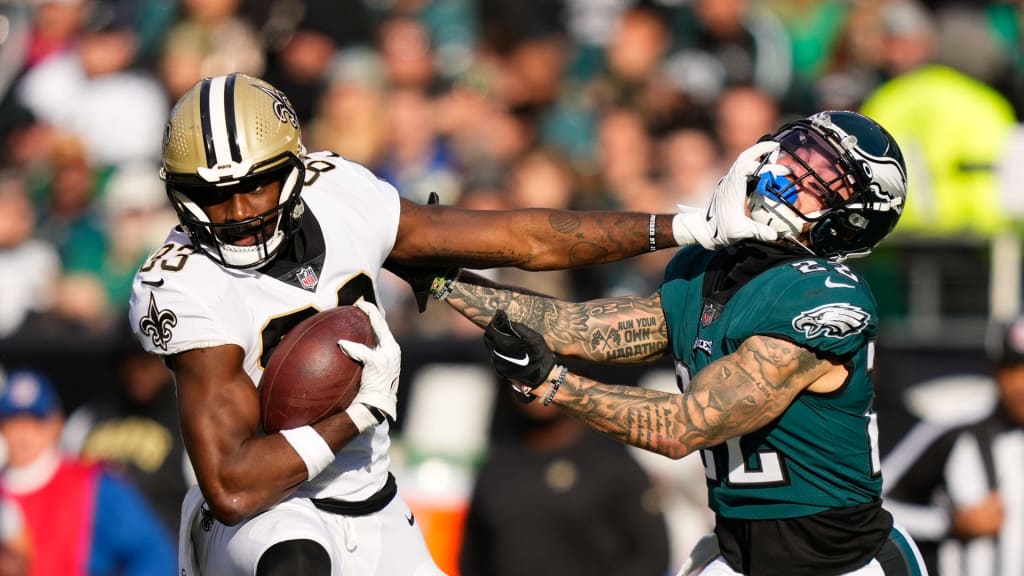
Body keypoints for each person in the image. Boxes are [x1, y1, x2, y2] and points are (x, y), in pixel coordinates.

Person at [127, 72, 778, 576]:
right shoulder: (184, 285)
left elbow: (524, 239)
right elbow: (234, 487)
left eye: (255, 187)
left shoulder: (343, 195)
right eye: (214, 195)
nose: (238, 212)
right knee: (298, 562)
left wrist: (681, 225)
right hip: (264, 521)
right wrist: (355, 413)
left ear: (294, 172)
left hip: (372, 501)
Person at [431, 110, 931, 575]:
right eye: (798, 152)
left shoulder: (821, 296)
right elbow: (573, 327)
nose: (791, 173)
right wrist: (442, 280)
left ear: (852, 219)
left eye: (822, 177)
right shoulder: (705, 268)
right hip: (739, 554)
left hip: (841, 563)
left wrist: (551, 384)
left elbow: (685, 426)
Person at [459, 384, 671, 576]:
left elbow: (653, 556)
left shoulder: (612, 461)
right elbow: (472, 556)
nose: (533, 384)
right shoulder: (497, 466)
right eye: (520, 376)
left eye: (544, 373)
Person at [0, 368, 175, 575]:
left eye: (36, 421)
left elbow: (154, 556)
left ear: (56, 424)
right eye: (14, 422)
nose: (24, 433)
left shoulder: (94, 483)